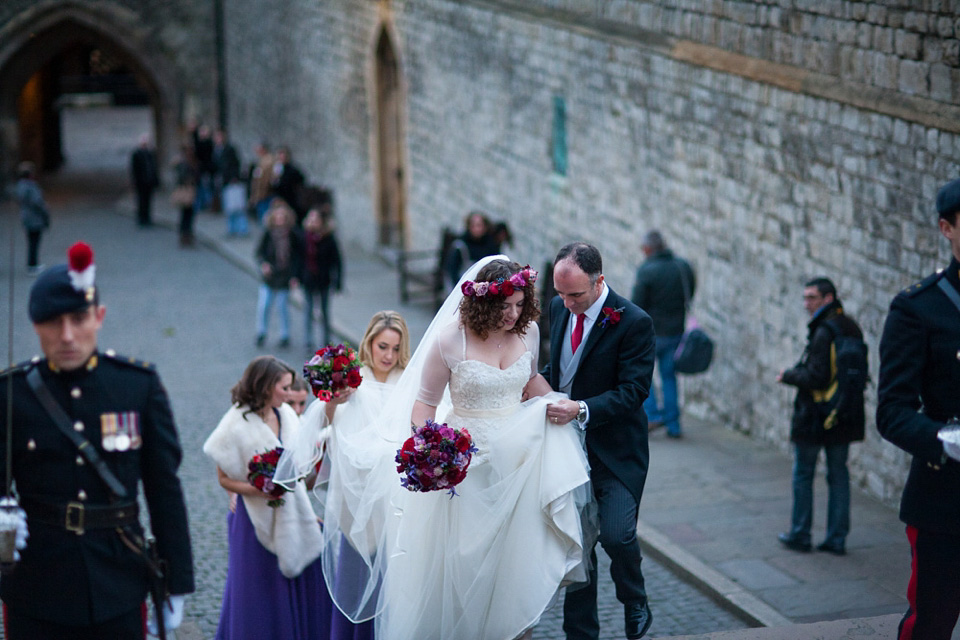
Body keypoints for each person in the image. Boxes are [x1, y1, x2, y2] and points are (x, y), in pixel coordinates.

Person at [307, 257, 590, 640]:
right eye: (505, 306)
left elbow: (532, 380)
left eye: (520, 305)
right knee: (466, 565)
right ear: (482, 301)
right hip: (466, 469)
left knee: (516, 562)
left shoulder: (530, 334)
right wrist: (432, 448)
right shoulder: (450, 339)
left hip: (521, 463)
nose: (513, 314)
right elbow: (424, 404)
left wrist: (561, 404)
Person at [0, 242, 194, 638]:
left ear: (99, 317)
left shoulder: (136, 386)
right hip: (36, 584)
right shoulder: (10, 394)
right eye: (53, 322)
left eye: (78, 318)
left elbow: (164, 489)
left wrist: (177, 582)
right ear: (35, 325)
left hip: (117, 579)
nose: (67, 334)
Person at [542, 242, 656, 640]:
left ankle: (634, 598)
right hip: (564, 448)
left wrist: (582, 409)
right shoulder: (558, 309)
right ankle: (580, 633)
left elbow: (634, 390)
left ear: (599, 281)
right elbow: (557, 369)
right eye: (560, 293)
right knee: (577, 547)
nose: (567, 303)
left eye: (575, 294)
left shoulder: (634, 322)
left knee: (616, 535)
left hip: (616, 451)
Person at [877, 177, 960, 640]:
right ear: (947, 228)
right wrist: (947, 439)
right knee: (931, 623)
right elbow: (891, 410)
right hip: (948, 501)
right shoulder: (919, 309)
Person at [294, 310, 411, 640]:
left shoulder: (409, 379)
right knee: (355, 577)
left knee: (393, 579)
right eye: (382, 346)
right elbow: (321, 425)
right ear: (369, 343)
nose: (388, 355)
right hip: (355, 495)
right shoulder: (351, 377)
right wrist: (333, 401)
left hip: (395, 496)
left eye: (394, 348)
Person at [202, 355, 330, 640]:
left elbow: (299, 469)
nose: (288, 393)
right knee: (257, 594)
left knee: (295, 585)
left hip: (295, 514)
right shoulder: (234, 423)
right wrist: (260, 489)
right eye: (283, 387)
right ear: (265, 385)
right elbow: (223, 479)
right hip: (252, 521)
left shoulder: (285, 414)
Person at [776, 278, 865, 555]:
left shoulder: (824, 331)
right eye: (804, 298)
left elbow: (817, 377)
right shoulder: (851, 326)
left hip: (815, 417)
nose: (807, 304)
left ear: (828, 299)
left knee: (803, 474)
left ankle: (800, 534)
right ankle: (837, 538)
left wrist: (788, 375)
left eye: (812, 298)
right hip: (845, 414)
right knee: (839, 475)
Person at [631, 230, 695, 438]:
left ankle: (653, 415)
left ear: (648, 249)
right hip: (676, 331)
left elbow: (637, 304)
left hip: (652, 334)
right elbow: (690, 292)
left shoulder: (647, 271)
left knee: (644, 375)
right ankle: (674, 424)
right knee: (669, 377)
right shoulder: (682, 266)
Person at [255, 201, 304, 349]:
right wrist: (264, 264)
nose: (280, 219)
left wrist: (295, 276)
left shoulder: (293, 234)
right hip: (270, 276)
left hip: (285, 276)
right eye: (278, 216)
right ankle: (261, 332)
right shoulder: (268, 233)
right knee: (264, 304)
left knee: (283, 306)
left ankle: (285, 334)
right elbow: (260, 252)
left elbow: (297, 257)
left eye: (283, 216)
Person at [302, 206, 343, 348]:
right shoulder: (304, 237)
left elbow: (337, 261)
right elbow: (299, 258)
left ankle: (326, 340)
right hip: (308, 280)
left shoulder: (328, 238)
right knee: (308, 309)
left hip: (323, 280)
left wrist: (338, 281)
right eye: (310, 219)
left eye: (315, 219)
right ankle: (308, 340)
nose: (312, 222)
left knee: (325, 312)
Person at [445, 211, 500, 288]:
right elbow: (452, 271)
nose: (477, 229)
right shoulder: (460, 245)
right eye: (473, 226)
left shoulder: (491, 244)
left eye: (479, 225)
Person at [15, 161, 50, 275]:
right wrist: (45, 211)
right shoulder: (31, 186)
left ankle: (32, 263)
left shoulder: (20, 186)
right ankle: (33, 264)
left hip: (26, 217)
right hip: (35, 217)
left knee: (31, 241)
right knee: (34, 242)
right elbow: (37, 202)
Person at [214, 129, 247, 237]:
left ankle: (242, 229)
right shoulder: (217, 150)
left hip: (231, 181)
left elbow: (235, 164)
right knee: (229, 207)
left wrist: (234, 177)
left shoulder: (229, 149)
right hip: (223, 180)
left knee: (237, 207)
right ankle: (232, 229)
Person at [130, 134, 159, 227]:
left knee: (148, 200)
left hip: (149, 181)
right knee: (141, 201)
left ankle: (147, 218)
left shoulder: (150, 153)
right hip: (141, 182)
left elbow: (153, 168)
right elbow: (134, 169)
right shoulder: (136, 154)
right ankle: (142, 218)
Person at [172, 144, 199, 247]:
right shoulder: (183, 163)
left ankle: (187, 234)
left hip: (190, 190)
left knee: (188, 214)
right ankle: (185, 234)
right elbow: (182, 176)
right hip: (186, 191)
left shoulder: (190, 162)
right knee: (186, 214)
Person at [271, 146, 306, 222]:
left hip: (292, 200)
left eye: (283, 156)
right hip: (282, 200)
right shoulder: (278, 170)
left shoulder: (293, 170)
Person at [247, 141, 275, 225]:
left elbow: (264, 179)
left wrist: (261, 193)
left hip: (264, 193)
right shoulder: (262, 160)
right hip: (260, 193)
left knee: (265, 215)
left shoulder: (268, 160)